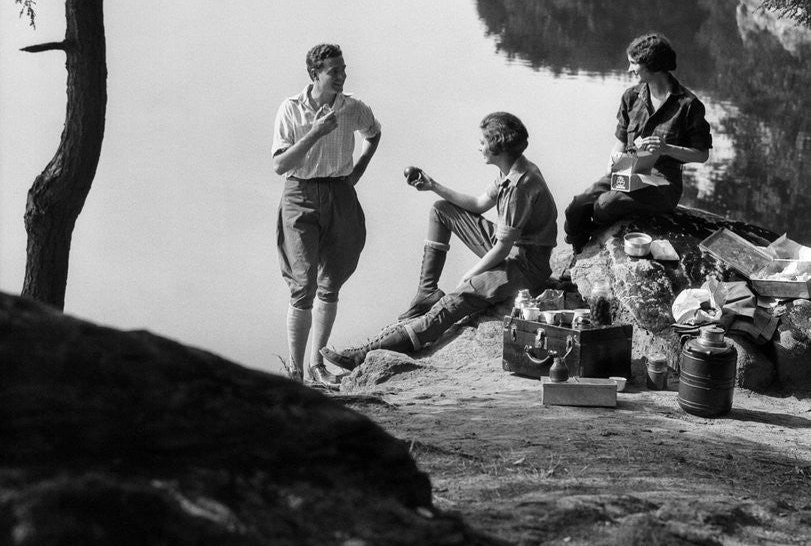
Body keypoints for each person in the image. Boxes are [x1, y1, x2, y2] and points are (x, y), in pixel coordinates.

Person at [322, 111, 557, 371]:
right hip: (513, 248)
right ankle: (427, 291)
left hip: (526, 264)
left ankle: (366, 355)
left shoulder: (519, 186)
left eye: (483, 141)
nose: (479, 146)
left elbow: (501, 249)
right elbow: (479, 205)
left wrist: (470, 276)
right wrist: (433, 185)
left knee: (458, 298)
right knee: (441, 210)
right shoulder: (510, 170)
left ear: (498, 146)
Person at [272, 43, 381, 387]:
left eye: (343, 68)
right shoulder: (291, 109)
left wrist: (356, 173)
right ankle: (295, 371)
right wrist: (315, 132)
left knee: (331, 282)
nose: (342, 75)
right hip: (299, 194)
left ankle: (317, 367)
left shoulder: (353, 108)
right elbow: (279, 164)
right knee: (302, 284)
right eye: (334, 71)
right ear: (315, 74)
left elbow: (374, 133)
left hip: (339, 193)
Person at [563, 32, 712, 252]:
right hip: (628, 171)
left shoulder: (688, 105)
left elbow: (701, 155)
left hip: (662, 184)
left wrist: (666, 148)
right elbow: (620, 142)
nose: (629, 69)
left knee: (605, 205)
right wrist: (613, 167)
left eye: (634, 64)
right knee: (577, 206)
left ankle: (592, 246)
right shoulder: (631, 96)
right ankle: (578, 254)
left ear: (653, 65)